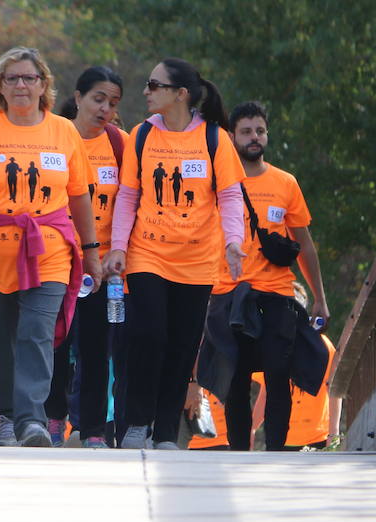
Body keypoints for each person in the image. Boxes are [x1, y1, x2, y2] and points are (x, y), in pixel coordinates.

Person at [0, 47, 102, 448]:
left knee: (35, 333)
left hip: (48, 249)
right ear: (0, 86)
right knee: (3, 339)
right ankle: (6, 418)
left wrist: (91, 253)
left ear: (43, 85)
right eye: (11, 78)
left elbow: (80, 197)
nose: (20, 85)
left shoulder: (63, 131)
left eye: (28, 78)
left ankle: (31, 421)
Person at [103, 57, 246, 450]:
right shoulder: (142, 135)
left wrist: (235, 240)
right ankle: (137, 424)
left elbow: (231, 196)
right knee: (147, 335)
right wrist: (118, 247)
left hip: (198, 261)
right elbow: (128, 194)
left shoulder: (215, 139)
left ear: (180, 94)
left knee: (182, 346)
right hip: (147, 253)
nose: (146, 91)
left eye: (154, 84)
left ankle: (165, 432)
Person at [192, 100, 330, 452]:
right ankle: (240, 452)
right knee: (235, 379)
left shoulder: (286, 183)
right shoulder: (216, 183)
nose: (255, 138)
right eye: (246, 131)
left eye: (260, 131)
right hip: (228, 292)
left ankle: (277, 453)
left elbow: (306, 246)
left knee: (278, 375)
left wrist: (320, 298)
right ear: (231, 136)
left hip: (277, 294)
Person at [44, 66, 126, 448]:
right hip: (57, 257)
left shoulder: (121, 145)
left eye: (112, 103)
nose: (104, 109)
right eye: (98, 99)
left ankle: (92, 429)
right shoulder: (54, 138)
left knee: (96, 347)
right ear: (77, 98)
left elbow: (132, 203)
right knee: (55, 344)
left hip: (102, 265)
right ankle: (53, 417)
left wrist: (120, 255)